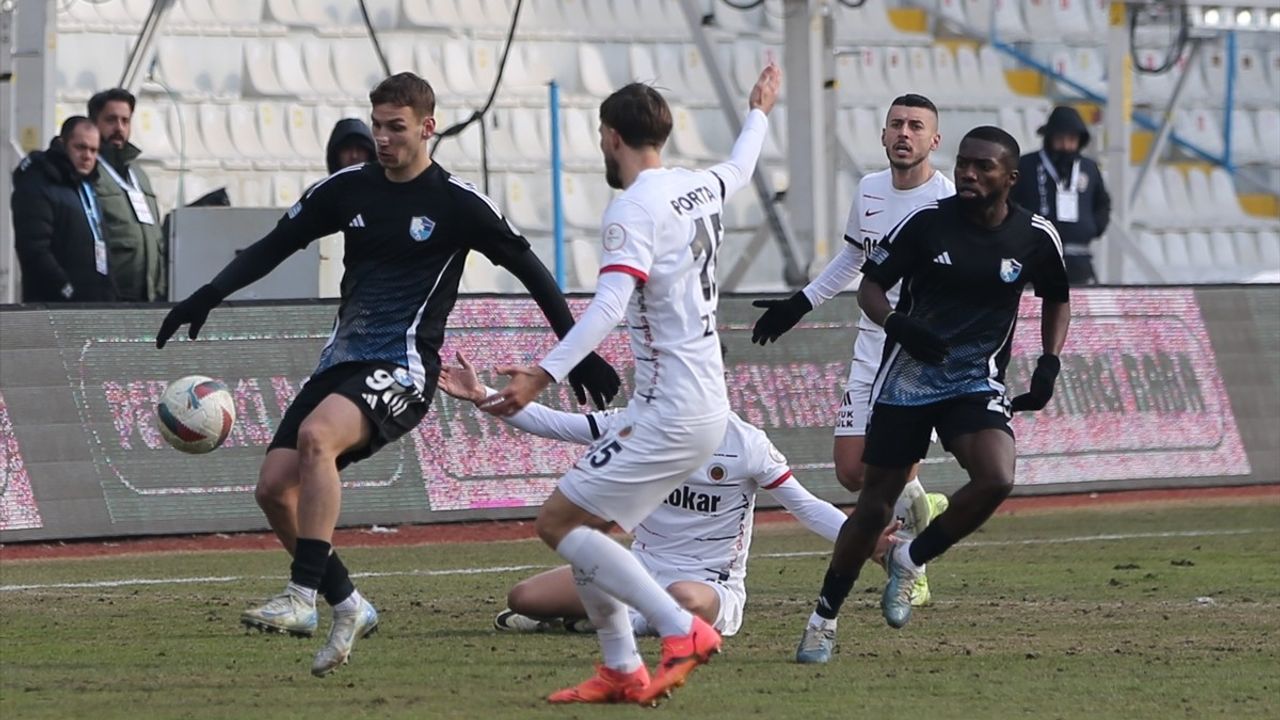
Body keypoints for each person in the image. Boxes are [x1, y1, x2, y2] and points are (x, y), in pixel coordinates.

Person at [154, 72, 621, 678]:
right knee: (273, 488)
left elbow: (530, 269)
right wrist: (206, 296)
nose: (382, 138)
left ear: (428, 128)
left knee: (319, 439)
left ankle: (301, 597)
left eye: (395, 127)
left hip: (403, 367)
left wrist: (575, 349)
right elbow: (277, 243)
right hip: (340, 362)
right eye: (376, 125)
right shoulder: (348, 189)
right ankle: (348, 603)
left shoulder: (458, 203)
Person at [478, 65, 781, 705]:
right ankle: (620, 668)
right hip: (699, 405)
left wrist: (542, 372)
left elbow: (609, 305)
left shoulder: (632, 207)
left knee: (559, 520)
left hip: (670, 409)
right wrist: (757, 111)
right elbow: (742, 167)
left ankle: (678, 632)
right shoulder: (698, 187)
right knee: (589, 526)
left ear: (611, 137)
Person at [799, 126, 1070, 664]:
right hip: (908, 378)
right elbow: (871, 286)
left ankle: (912, 557)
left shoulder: (1036, 236)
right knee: (873, 505)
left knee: (998, 477)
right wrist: (898, 324)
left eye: (983, 167)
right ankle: (823, 618)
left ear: (1009, 178)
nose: (968, 173)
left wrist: (1049, 362)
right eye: (964, 163)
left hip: (974, 379)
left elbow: (1058, 299)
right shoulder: (927, 224)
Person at [435, 351, 881, 638]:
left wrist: (866, 539)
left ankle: (605, 621)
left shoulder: (746, 444)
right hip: (641, 569)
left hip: (708, 583)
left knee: (688, 602)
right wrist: (481, 395)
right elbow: (556, 424)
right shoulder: (643, 422)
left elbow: (805, 506)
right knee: (523, 598)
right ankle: (605, 618)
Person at [750, 95, 954, 648]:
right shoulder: (867, 190)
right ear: (883, 135)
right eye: (896, 125)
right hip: (873, 341)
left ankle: (912, 568)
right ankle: (922, 502)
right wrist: (798, 304)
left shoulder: (948, 200)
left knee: (887, 475)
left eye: (916, 126)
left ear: (935, 140)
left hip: (920, 354)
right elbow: (853, 260)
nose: (904, 134)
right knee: (850, 472)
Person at [12, 116, 115, 303]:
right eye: (80, 147)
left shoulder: (86, 186)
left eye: (94, 150)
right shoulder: (38, 183)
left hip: (92, 305)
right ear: (63, 144)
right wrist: (66, 289)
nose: (88, 156)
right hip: (54, 306)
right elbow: (34, 249)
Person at [1011, 105, 1110, 285]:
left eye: (1072, 140)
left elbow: (1102, 202)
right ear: (1049, 139)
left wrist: (1094, 227)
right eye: (1060, 139)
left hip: (1079, 259)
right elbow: (1010, 202)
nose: (1066, 146)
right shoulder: (1026, 165)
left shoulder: (1089, 168)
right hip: (1036, 257)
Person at [87, 88, 166, 302]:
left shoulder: (139, 175)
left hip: (150, 297)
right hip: (109, 297)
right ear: (94, 123)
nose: (119, 128)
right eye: (111, 120)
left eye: (125, 120)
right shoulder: (88, 172)